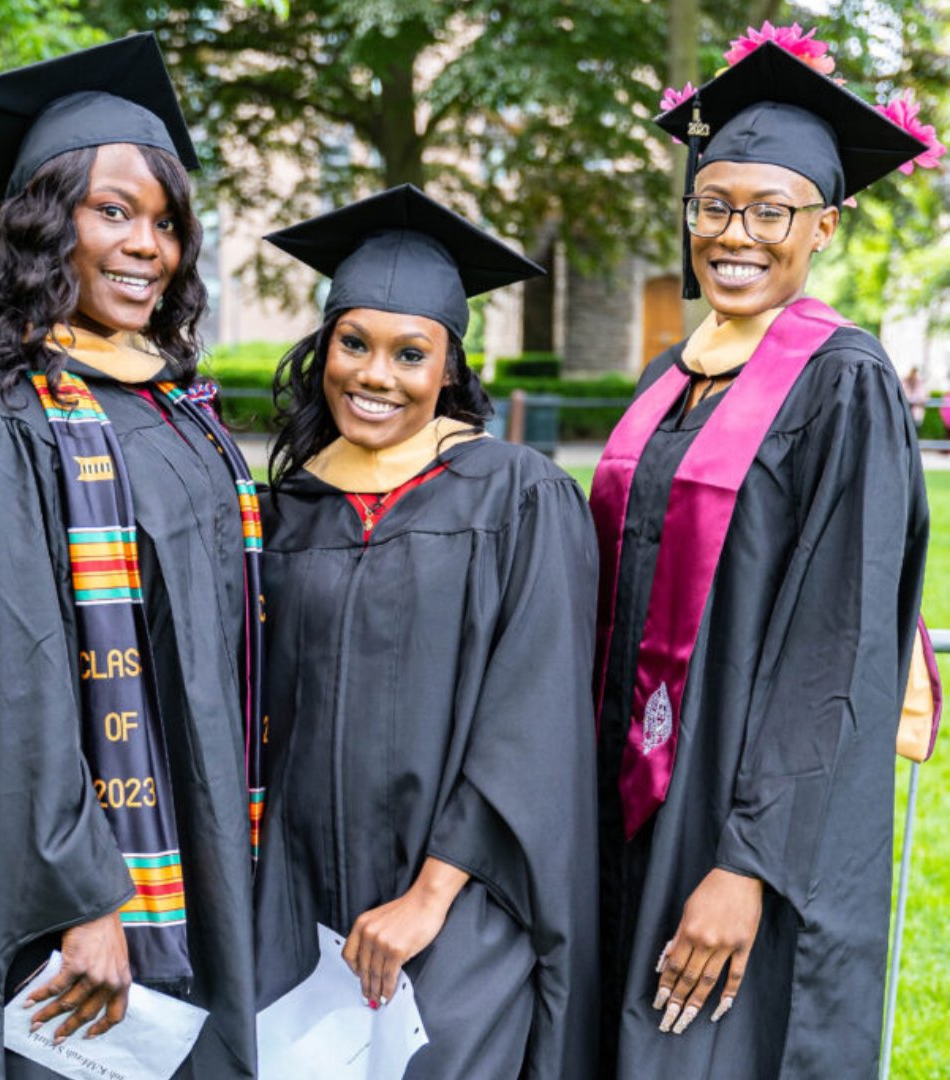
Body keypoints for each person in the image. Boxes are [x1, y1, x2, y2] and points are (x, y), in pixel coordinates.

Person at [591, 30, 942, 1079]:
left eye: (770, 211)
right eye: (715, 205)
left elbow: (838, 643)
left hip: (745, 819)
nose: (735, 234)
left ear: (824, 228)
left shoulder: (846, 384)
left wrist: (745, 864)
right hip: (632, 794)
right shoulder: (670, 379)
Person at [0, 35, 262, 1080]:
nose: (148, 246)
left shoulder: (169, 405)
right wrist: (84, 903)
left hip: (193, 847)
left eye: (165, 222)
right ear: (39, 220)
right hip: (79, 900)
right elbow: (14, 681)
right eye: (113, 211)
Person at [253, 184, 600, 1078]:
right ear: (324, 345)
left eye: (411, 353)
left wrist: (430, 896)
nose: (375, 375)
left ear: (449, 367)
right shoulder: (285, 511)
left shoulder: (517, 496)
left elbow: (535, 716)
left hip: (461, 907)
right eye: (354, 343)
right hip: (296, 912)